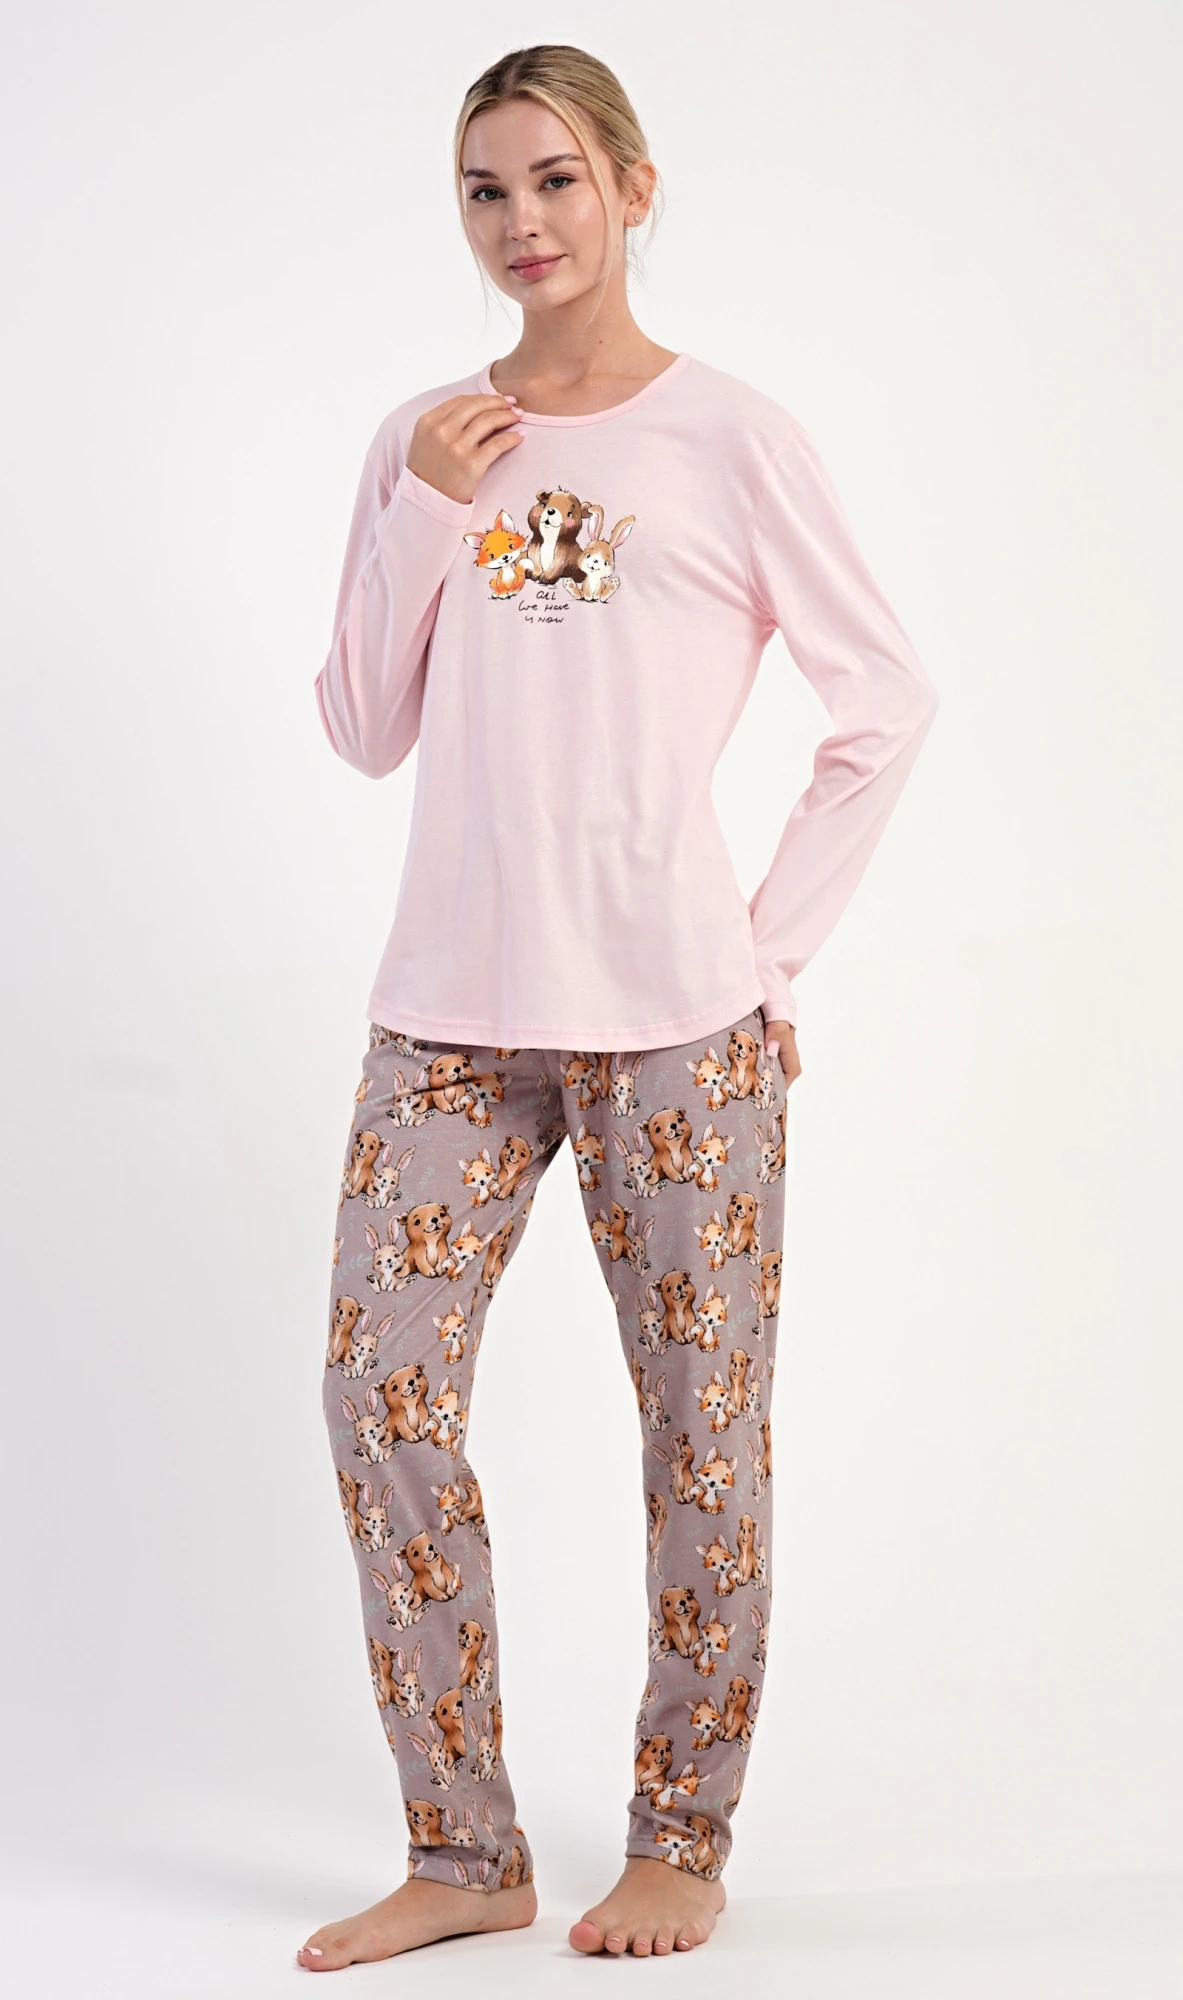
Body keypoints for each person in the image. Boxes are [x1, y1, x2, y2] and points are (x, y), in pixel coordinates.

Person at [298, 42, 938, 1971]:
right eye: (486, 190)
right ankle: (464, 1848)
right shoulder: (423, 438)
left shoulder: (730, 438)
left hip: (676, 1022)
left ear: (633, 190)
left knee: (701, 1432)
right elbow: (362, 725)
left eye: (556, 180)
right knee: (378, 1394)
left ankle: (681, 1839)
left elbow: (883, 702)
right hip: (450, 1015)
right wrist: (425, 510)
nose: (523, 223)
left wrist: (768, 954)